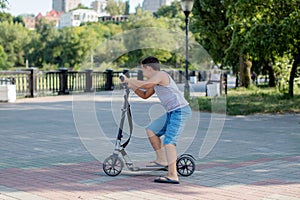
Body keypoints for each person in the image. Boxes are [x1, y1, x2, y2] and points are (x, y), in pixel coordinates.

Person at [120, 56, 191, 184]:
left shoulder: (161, 75)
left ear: (148, 68)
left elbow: (146, 85)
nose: (143, 73)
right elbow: (145, 94)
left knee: (169, 142)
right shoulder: (156, 81)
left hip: (180, 111)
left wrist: (129, 79)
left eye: (143, 70)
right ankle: (162, 160)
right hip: (171, 112)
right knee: (151, 130)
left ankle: (173, 175)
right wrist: (131, 85)